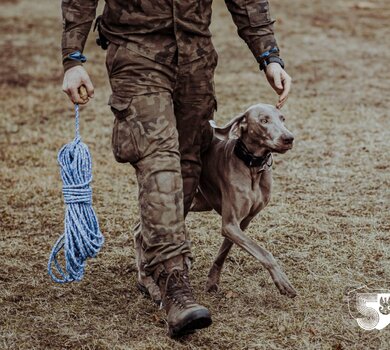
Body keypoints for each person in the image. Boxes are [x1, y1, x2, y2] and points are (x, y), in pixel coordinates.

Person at [61, 0, 291, 338]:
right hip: (136, 54)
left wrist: (268, 54)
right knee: (160, 158)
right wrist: (73, 57)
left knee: (187, 167)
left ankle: (150, 258)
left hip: (196, 61)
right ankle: (174, 281)